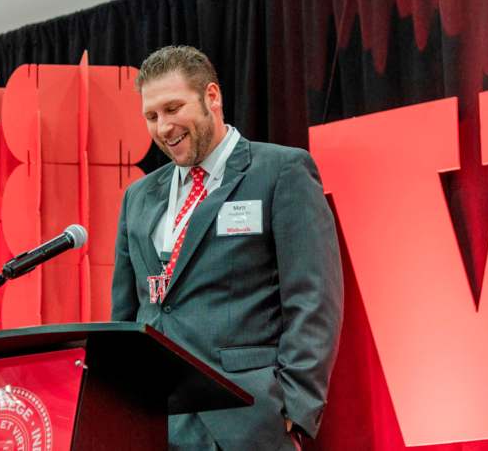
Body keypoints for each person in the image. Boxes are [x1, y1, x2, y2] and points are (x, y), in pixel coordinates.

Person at [111, 45, 343, 450]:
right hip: (158, 425)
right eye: (152, 116)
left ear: (211, 97)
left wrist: (296, 406)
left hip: (249, 419)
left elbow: (314, 298)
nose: (163, 127)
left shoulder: (281, 172)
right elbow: (127, 314)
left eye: (173, 108)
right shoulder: (139, 196)